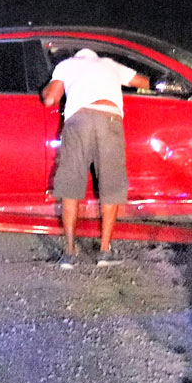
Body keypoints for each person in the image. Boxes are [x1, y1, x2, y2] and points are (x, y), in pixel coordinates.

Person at [40, 48, 149, 268]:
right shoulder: (109, 64)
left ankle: (70, 253)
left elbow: (51, 99)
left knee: (71, 186)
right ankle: (105, 251)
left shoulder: (66, 65)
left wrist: (45, 88)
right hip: (109, 118)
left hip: (78, 121)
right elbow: (144, 82)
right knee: (110, 185)